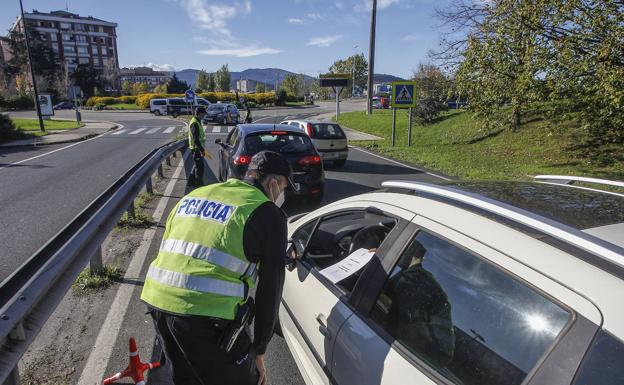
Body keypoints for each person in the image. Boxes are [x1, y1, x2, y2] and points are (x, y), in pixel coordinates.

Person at [141, 150, 296, 385]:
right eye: (284, 187)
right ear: (273, 183)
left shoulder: (197, 195)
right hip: (206, 318)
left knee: (186, 379)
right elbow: (270, 289)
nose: (281, 194)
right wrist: (259, 350)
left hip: (158, 304)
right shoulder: (268, 213)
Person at [189, 107, 207, 186]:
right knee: (200, 168)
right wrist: (201, 150)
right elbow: (196, 139)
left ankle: (191, 182)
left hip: (197, 148)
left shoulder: (197, 121)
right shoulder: (195, 123)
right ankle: (199, 185)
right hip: (196, 149)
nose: (204, 116)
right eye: (203, 114)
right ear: (200, 114)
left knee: (197, 165)